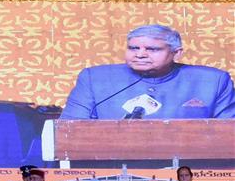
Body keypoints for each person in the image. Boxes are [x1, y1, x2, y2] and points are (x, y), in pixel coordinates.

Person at [61, 24, 235, 119]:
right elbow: (70, 128)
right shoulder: (95, 78)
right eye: (133, 48)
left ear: (177, 53)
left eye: (152, 49)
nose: (140, 54)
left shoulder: (213, 81)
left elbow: (229, 133)